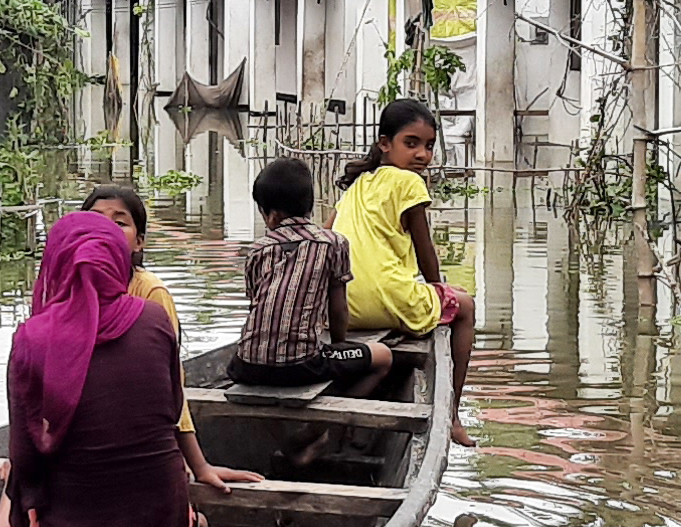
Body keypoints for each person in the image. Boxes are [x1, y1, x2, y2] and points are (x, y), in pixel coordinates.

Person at [4, 211, 206, 527]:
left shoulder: (31, 337)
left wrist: (24, 512)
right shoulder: (153, 318)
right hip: (162, 515)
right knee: (150, 521)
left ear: (54, 264)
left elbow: (23, 452)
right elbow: (171, 410)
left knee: (49, 483)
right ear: (117, 261)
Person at [78, 183, 264, 499]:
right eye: (95, 220)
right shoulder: (64, 288)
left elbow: (169, 385)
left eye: (119, 222)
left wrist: (197, 464)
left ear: (139, 243)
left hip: (133, 430)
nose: (106, 230)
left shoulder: (149, 294)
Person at [334, 98, 478, 444]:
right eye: (410, 144)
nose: (422, 155)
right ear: (385, 143)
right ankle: (454, 414)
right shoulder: (410, 183)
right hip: (389, 300)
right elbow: (424, 248)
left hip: (342, 309)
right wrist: (439, 289)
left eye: (428, 146)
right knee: (466, 306)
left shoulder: (357, 186)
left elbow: (326, 236)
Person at [227, 155, 393, 392]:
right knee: (384, 356)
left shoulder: (257, 249)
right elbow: (338, 309)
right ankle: (336, 418)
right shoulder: (333, 243)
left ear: (270, 215)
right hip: (303, 365)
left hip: (245, 366)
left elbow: (256, 306)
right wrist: (339, 348)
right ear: (310, 206)